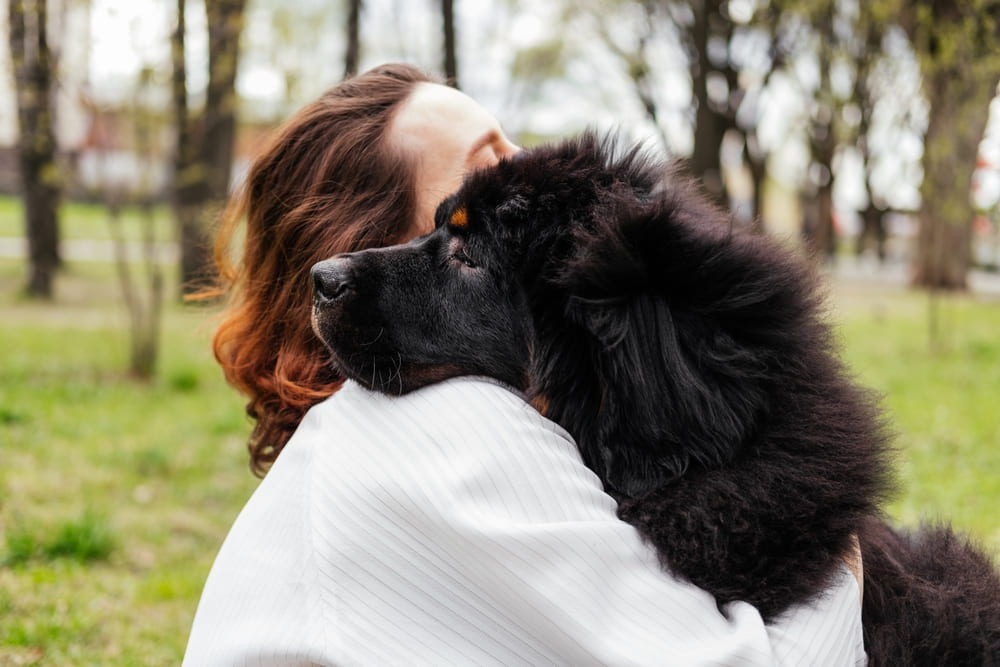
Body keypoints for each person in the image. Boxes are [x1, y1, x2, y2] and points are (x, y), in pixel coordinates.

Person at [184, 63, 866, 665]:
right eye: (481, 176)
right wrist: (845, 558)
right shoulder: (446, 428)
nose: (531, 172)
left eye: (514, 144)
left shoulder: (364, 436)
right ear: (374, 241)